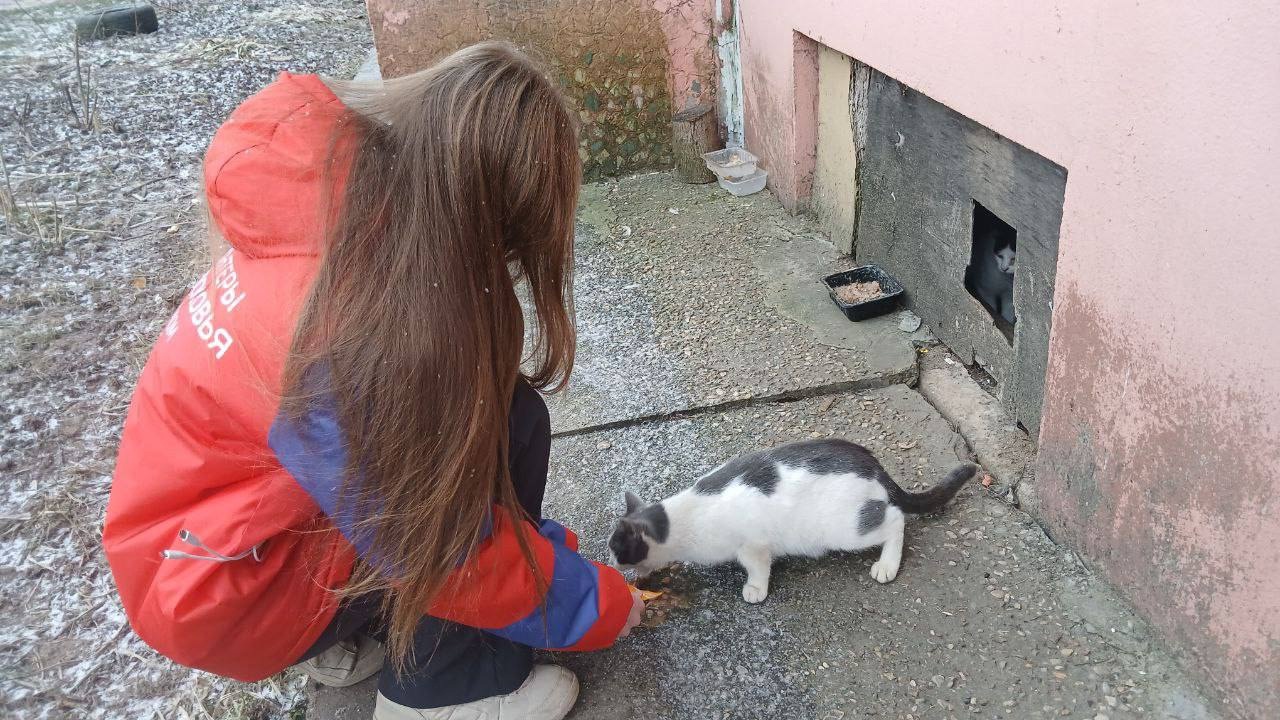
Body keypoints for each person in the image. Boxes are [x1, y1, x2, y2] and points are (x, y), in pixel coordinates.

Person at [102, 42, 645, 720]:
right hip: (222, 596)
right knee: (504, 426)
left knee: (491, 414)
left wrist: (542, 554)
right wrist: (594, 604)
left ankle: (341, 633)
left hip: (200, 558)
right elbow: (441, 548)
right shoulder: (353, 346)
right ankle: (444, 693)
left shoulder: (331, 214)